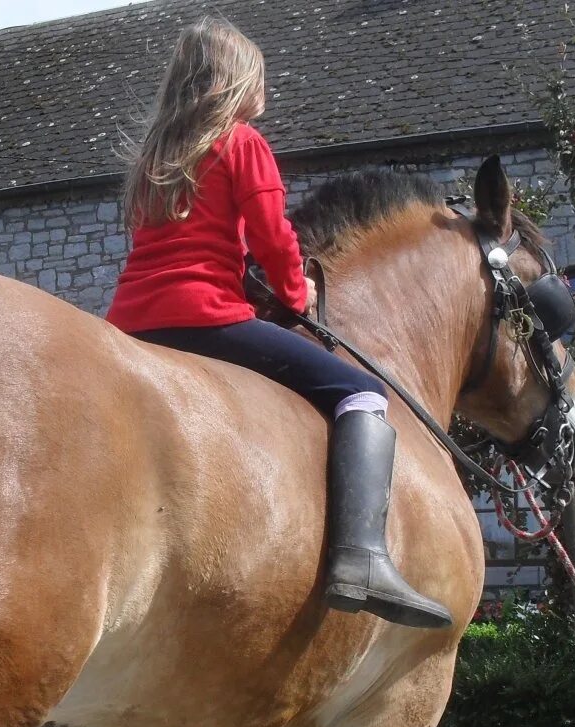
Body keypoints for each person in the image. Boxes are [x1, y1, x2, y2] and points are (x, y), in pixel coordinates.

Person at [106, 17, 451, 630]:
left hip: (132, 324)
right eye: (260, 78)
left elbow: (185, 247)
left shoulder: (154, 160)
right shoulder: (241, 144)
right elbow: (274, 238)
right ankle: (362, 557)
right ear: (239, 82)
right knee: (363, 394)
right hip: (205, 320)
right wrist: (297, 295)